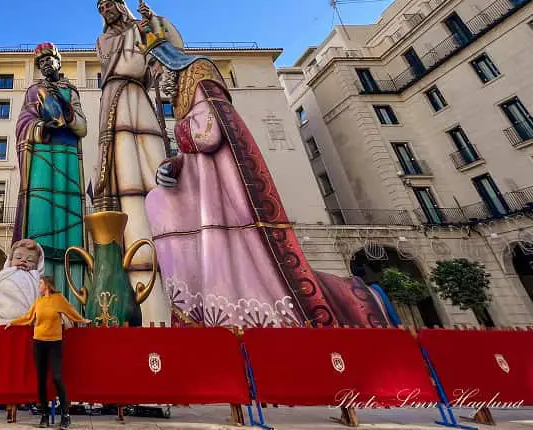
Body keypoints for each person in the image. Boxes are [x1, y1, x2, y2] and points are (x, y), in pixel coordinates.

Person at [140, 26, 391, 327]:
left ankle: (229, 305)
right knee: (158, 200)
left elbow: (208, 135)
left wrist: (180, 133)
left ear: (169, 60)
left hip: (223, 195)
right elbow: (193, 151)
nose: (154, 74)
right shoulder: (181, 95)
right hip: (203, 186)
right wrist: (173, 165)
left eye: (155, 65)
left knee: (167, 207)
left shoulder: (199, 75)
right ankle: (196, 302)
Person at [93, 0, 180, 323]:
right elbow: (115, 58)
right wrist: (138, 31)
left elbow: (168, 48)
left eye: (109, 5)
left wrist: (153, 19)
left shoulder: (139, 27)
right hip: (115, 97)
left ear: (121, 5)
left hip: (138, 96)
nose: (105, 11)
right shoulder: (104, 39)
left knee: (151, 151)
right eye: (100, 9)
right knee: (122, 167)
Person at [13, 43, 88, 300]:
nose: (45, 64)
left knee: (70, 220)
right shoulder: (34, 90)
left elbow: (82, 126)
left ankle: (73, 293)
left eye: (49, 60)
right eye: (41, 62)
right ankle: (35, 294)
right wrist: (41, 126)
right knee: (41, 216)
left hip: (67, 154)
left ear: (58, 62)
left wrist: (67, 118)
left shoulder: (71, 90)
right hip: (43, 154)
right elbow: (23, 122)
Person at [8, 275, 87, 428]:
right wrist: (12, 322)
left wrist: (82, 320)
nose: (39, 285)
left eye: (40, 283)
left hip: (54, 344)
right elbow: (28, 317)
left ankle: (65, 415)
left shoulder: (58, 299)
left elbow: (71, 311)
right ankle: (44, 415)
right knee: (41, 380)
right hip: (39, 343)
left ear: (47, 285)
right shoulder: (38, 301)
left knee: (57, 378)